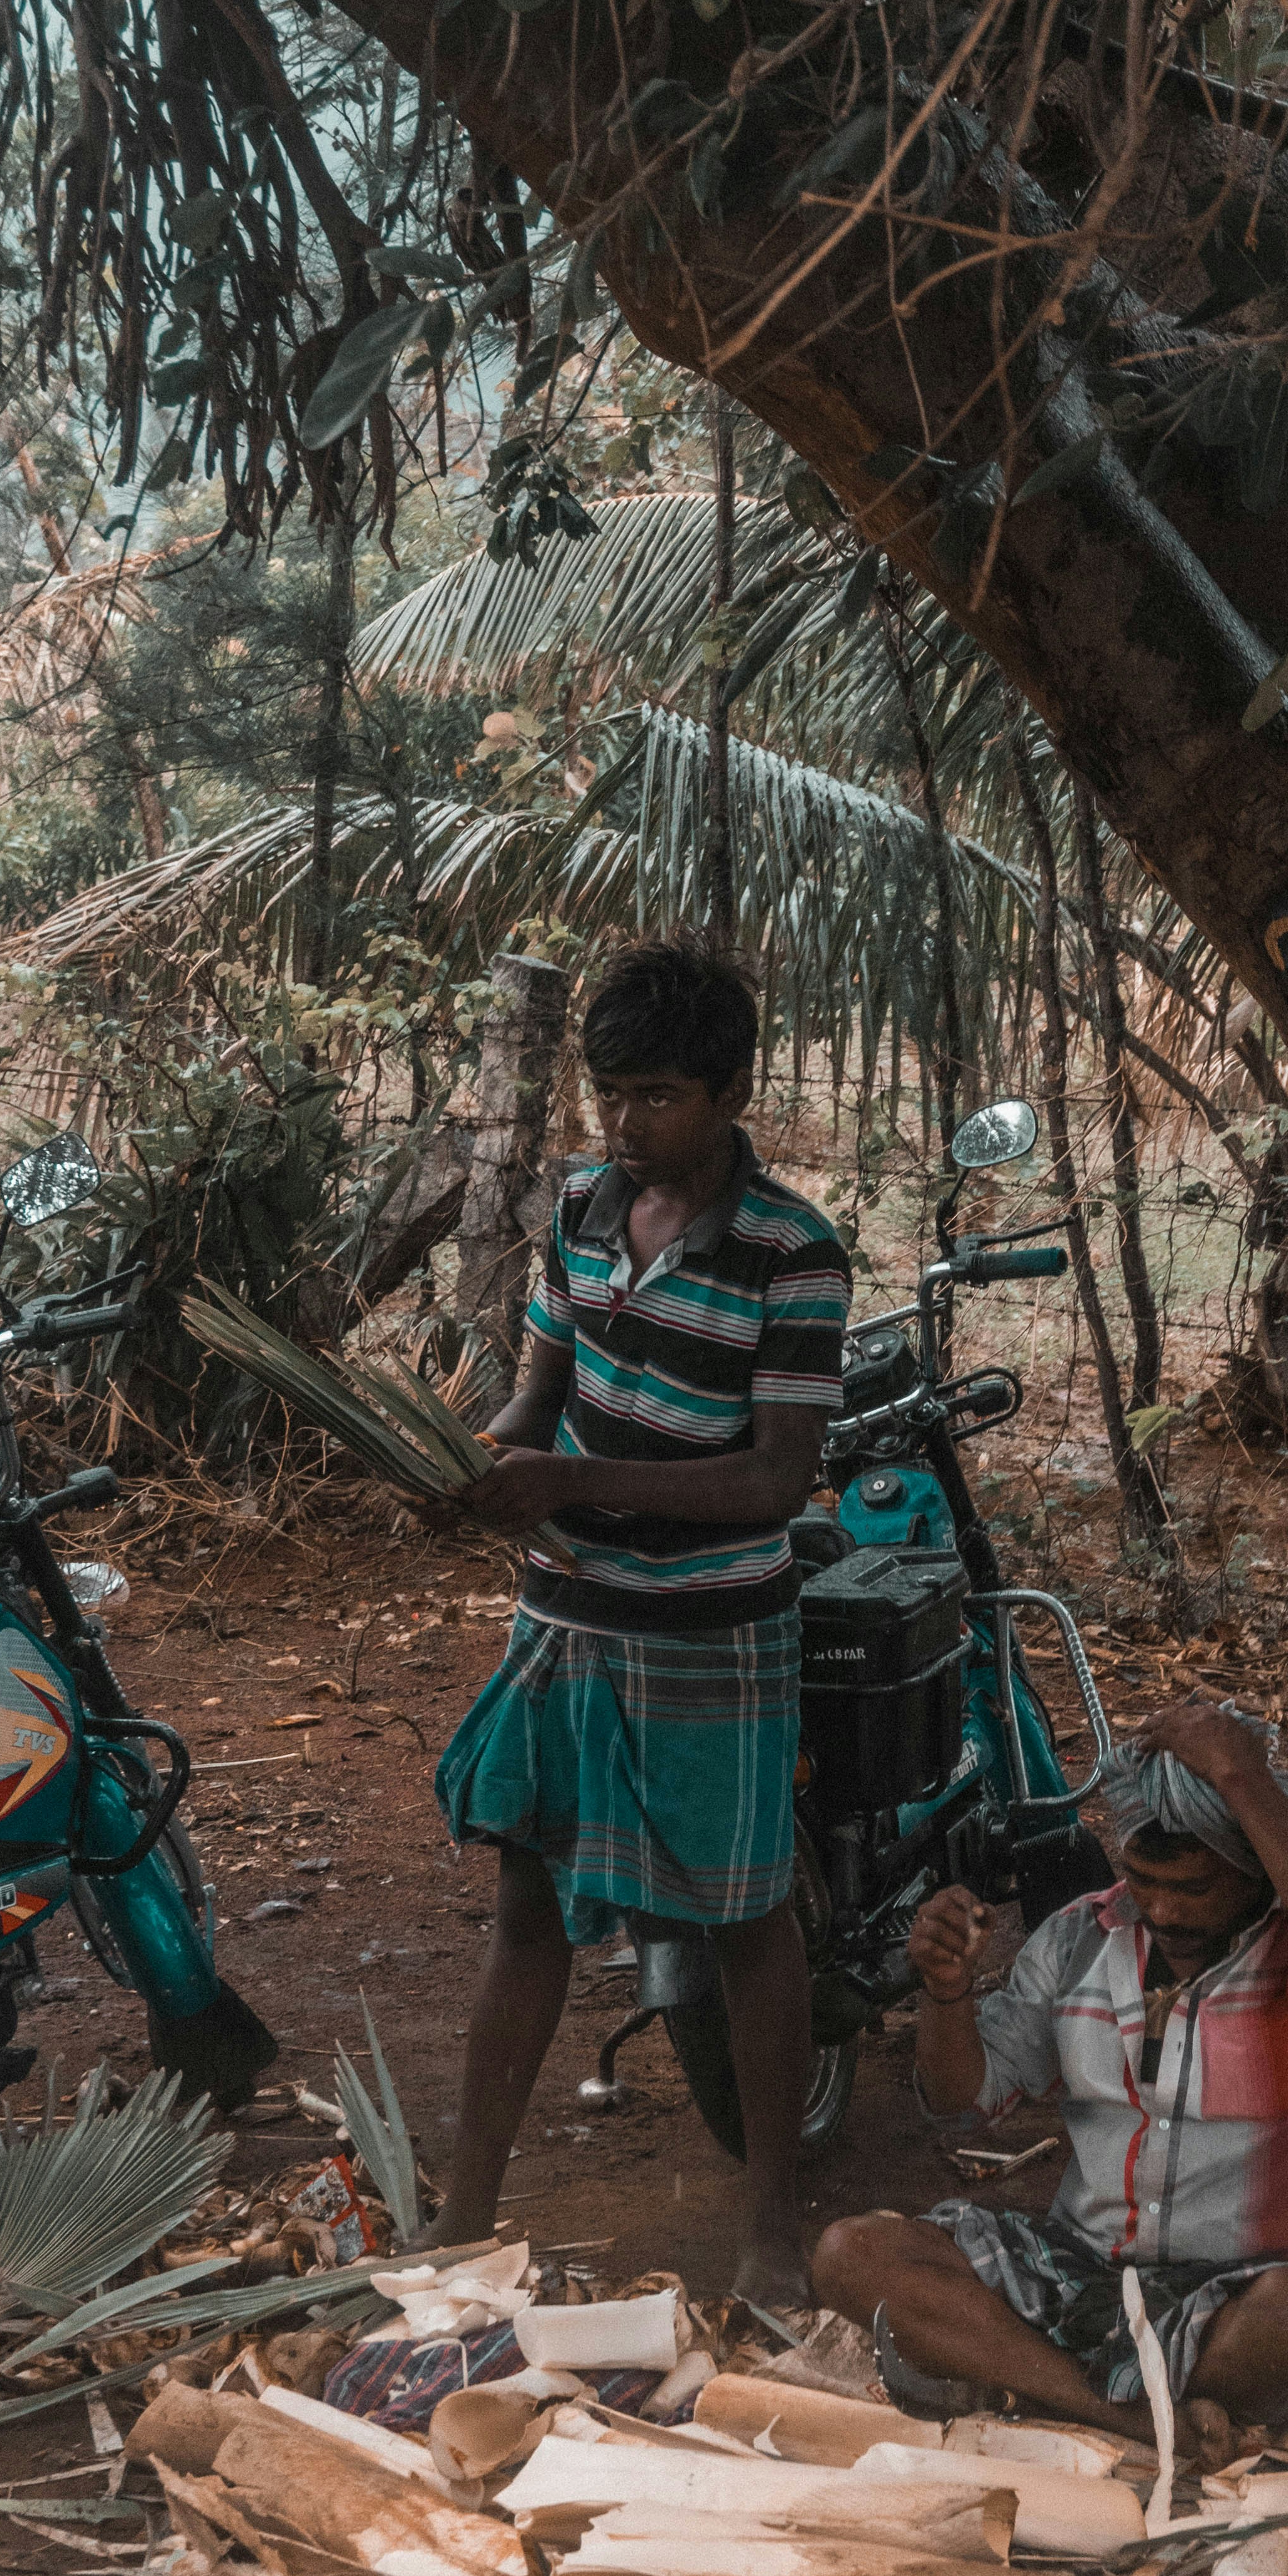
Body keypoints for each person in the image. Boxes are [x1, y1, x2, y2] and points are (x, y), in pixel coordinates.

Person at [433, 937, 850, 2300]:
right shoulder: (577, 1206)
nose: (625, 1124)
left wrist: (572, 1481)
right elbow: (534, 1393)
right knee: (527, 1907)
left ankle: (770, 2223)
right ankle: (462, 2217)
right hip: (567, 1614)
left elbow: (775, 1480)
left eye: (659, 1095)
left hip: (712, 1630)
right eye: (608, 1093)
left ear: (732, 1092)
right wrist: (475, 1468)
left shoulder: (791, 1251)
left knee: (745, 1919)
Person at [811, 1702, 1288, 2462]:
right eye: (1142, 1878)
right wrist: (945, 1990)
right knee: (849, 2253)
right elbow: (963, 2107)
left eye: (1192, 1889)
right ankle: (1121, 2414)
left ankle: (1028, 2379)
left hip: (1249, 2286)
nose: (1159, 1909)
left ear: (1255, 1866)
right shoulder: (1079, 1939)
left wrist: (1240, 1773)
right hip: (1081, 2269)